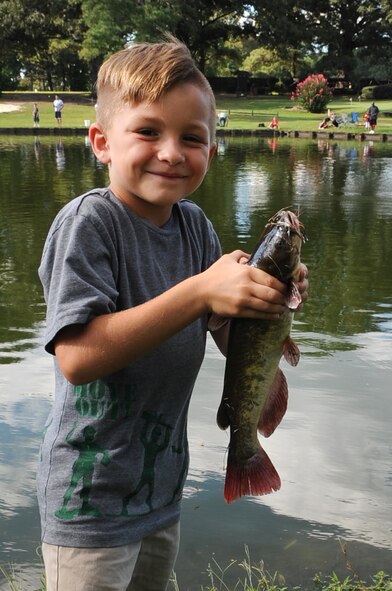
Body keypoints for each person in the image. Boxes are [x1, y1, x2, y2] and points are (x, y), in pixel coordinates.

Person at [37, 38, 308, 591]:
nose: (171, 152)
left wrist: (263, 304)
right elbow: (78, 358)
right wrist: (199, 293)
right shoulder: (87, 224)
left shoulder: (194, 227)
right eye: (148, 131)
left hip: (159, 492)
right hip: (88, 503)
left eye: (192, 138)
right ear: (100, 142)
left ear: (213, 146)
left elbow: (230, 339)